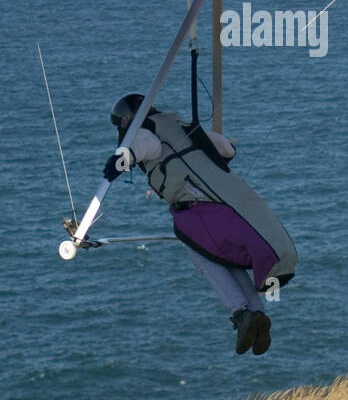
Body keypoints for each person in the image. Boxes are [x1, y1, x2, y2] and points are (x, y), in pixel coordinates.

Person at [98, 93, 297, 355]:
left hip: (201, 208)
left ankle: (240, 313)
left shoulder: (146, 132)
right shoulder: (183, 126)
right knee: (225, 259)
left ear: (127, 122)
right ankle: (258, 314)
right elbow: (227, 149)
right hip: (231, 199)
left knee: (202, 256)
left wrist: (122, 160)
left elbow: (147, 146)